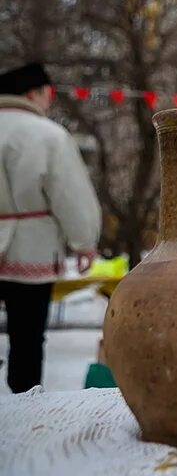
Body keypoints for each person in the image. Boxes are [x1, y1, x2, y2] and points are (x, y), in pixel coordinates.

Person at [0, 63, 101, 392]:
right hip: (30, 251)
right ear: (32, 93)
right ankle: (24, 410)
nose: (49, 102)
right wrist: (84, 241)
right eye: (48, 95)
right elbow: (69, 194)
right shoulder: (49, 136)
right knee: (26, 339)